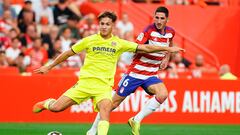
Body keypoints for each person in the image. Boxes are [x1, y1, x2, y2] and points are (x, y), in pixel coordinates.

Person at [32, 11, 184, 135]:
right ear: (99, 25)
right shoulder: (89, 40)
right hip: (85, 83)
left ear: (112, 26)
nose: (104, 27)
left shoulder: (119, 43)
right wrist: (49, 66)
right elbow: (67, 53)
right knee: (57, 108)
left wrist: (168, 50)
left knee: (106, 111)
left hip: (104, 87)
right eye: (102, 24)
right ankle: (47, 103)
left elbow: (145, 48)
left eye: (107, 24)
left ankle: (95, 132)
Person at [87, 7, 179, 135]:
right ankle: (92, 131)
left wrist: (166, 58)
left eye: (162, 18)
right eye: (156, 17)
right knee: (111, 104)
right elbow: (136, 48)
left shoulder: (170, 32)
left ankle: (136, 120)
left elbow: (170, 45)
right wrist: (156, 49)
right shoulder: (148, 30)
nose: (158, 21)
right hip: (135, 73)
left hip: (151, 74)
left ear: (167, 20)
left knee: (162, 94)